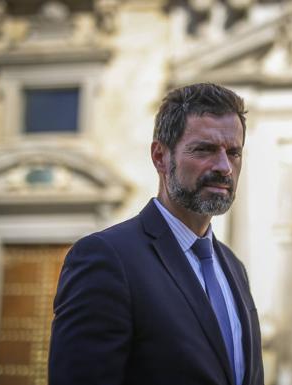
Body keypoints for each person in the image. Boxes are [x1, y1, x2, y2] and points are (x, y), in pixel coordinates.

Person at [48, 83, 264, 385]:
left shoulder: (233, 267)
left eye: (234, 152)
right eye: (204, 149)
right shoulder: (107, 259)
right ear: (160, 157)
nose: (224, 166)